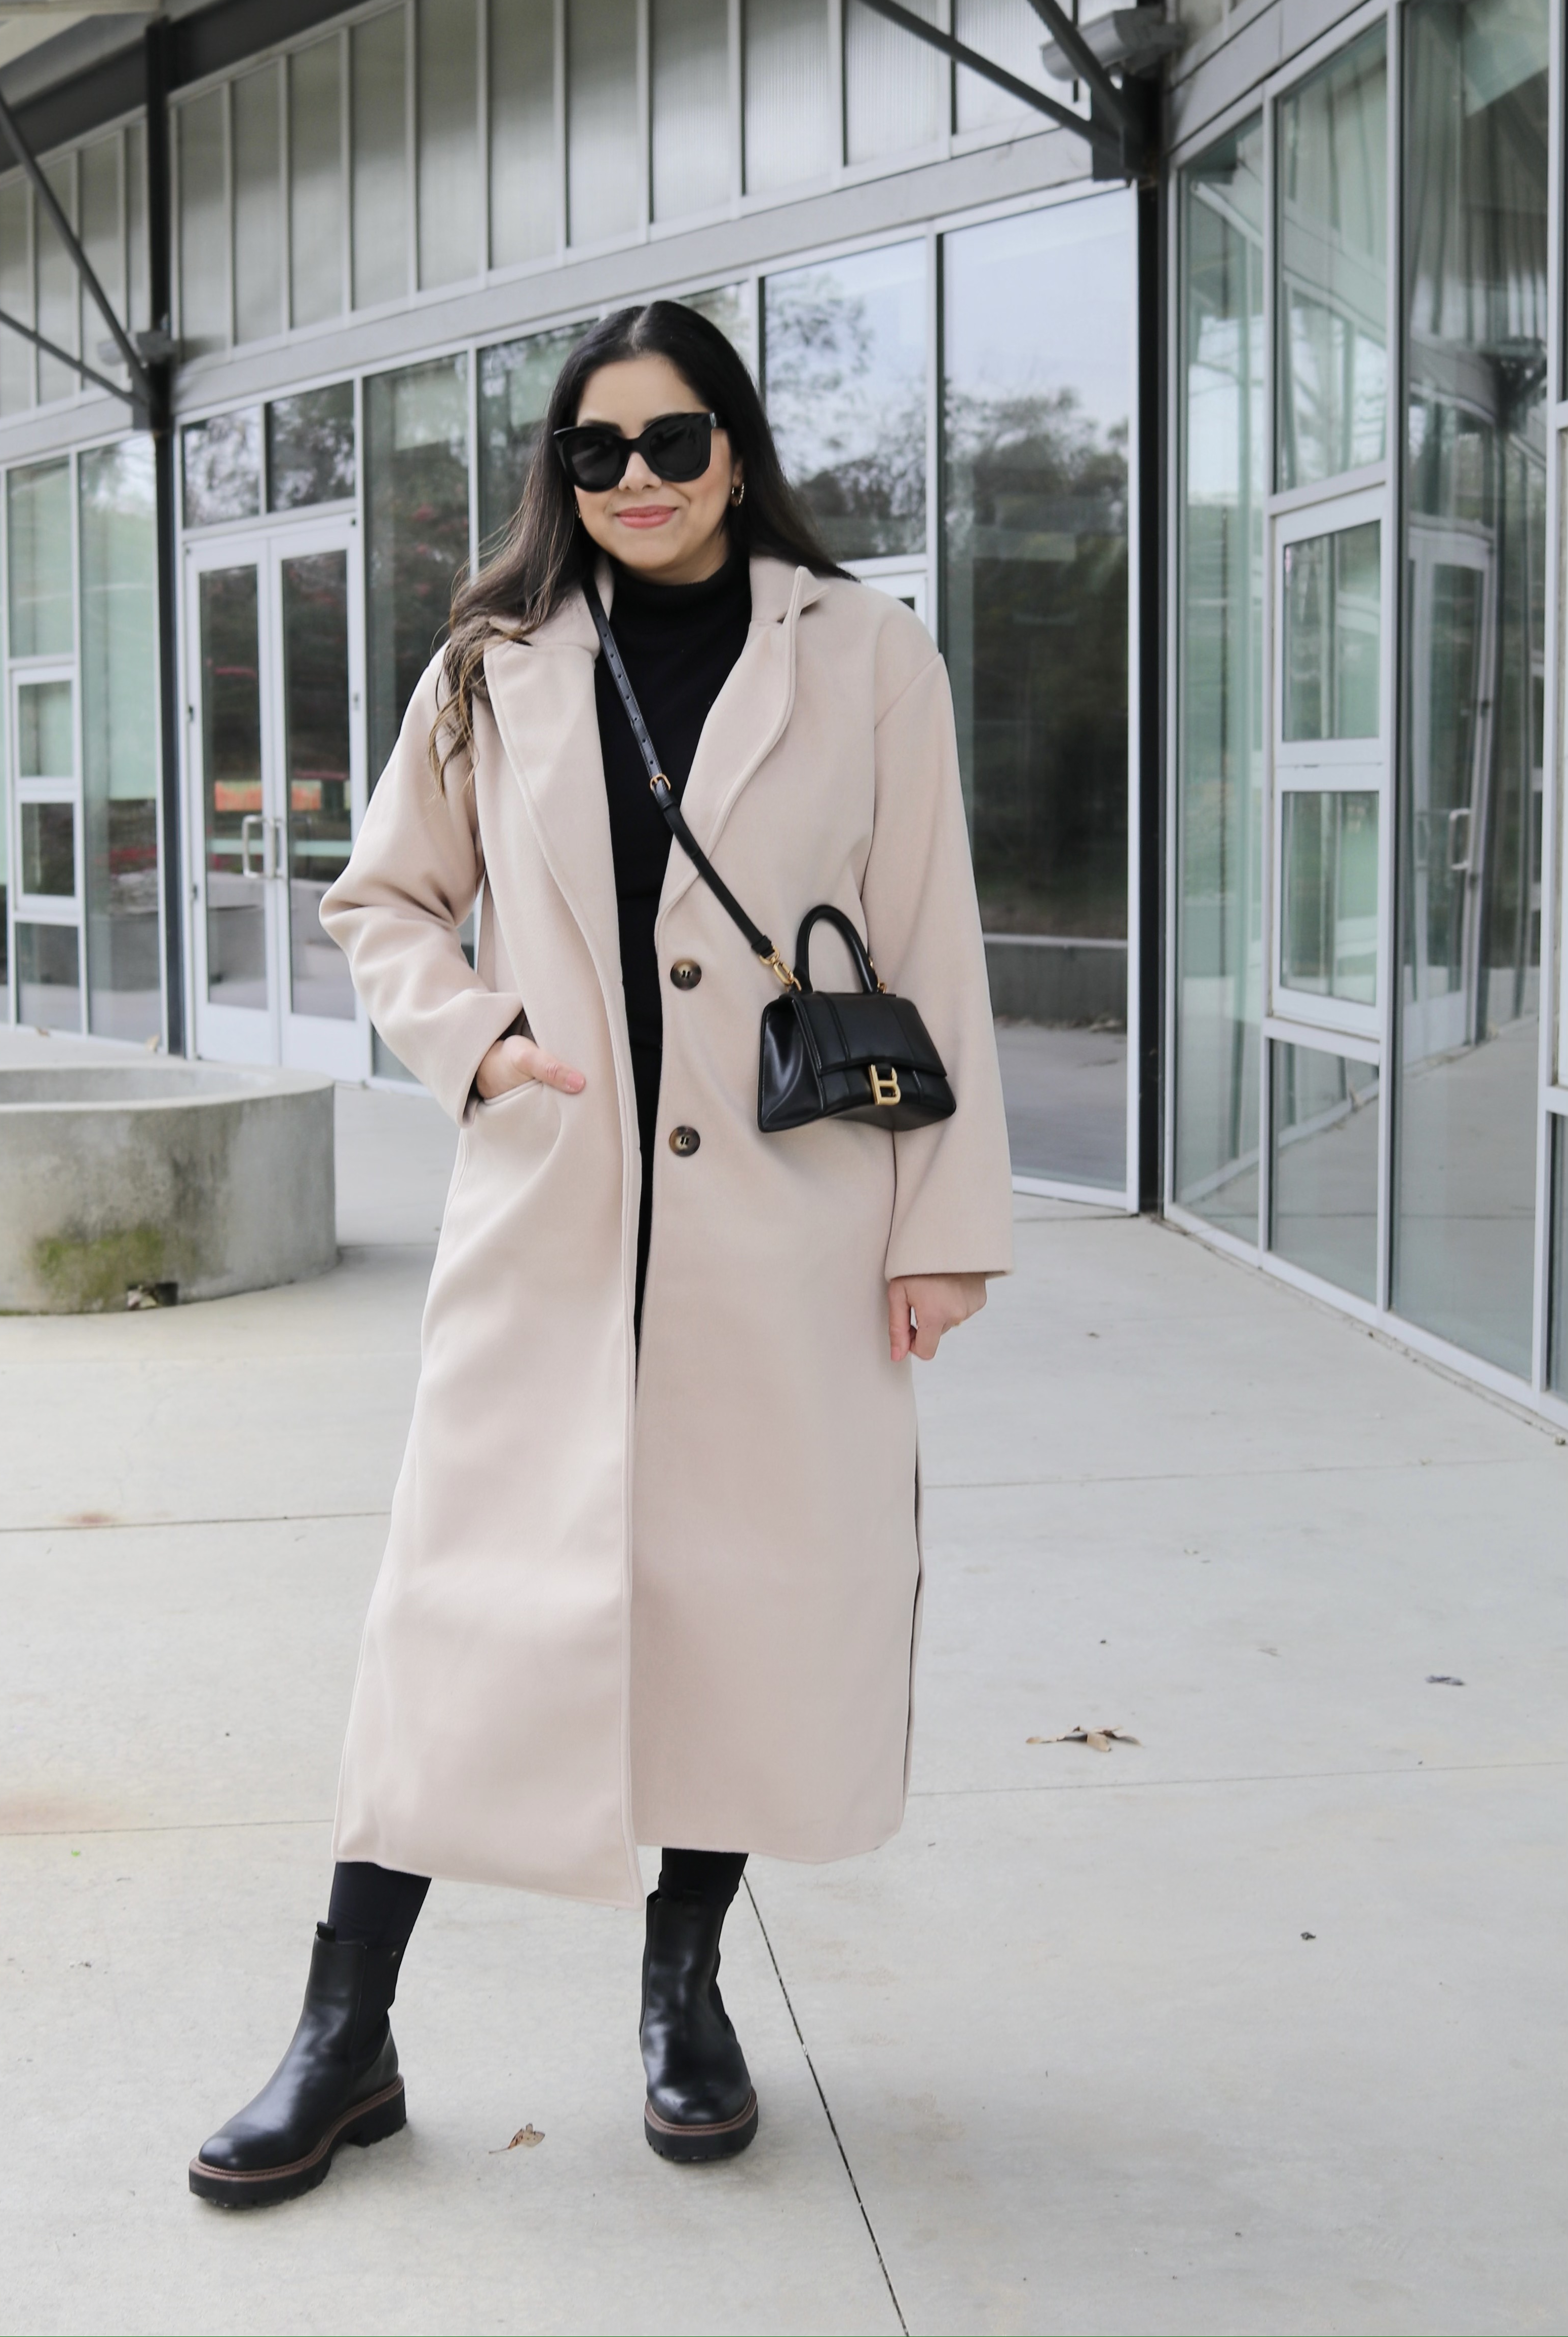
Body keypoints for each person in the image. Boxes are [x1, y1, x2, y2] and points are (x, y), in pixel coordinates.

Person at [190, 300, 1013, 2209]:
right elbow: (383, 895)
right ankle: (345, 2026)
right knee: (448, 1624)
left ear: (734, 445)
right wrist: (476, 1038)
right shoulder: (492, 666)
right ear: (560, 474)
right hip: (556, 1215)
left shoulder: (869, 654)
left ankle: (682, 1985)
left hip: (786, 1226)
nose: (633, 481)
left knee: (734, 1613)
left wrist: (942, 1232)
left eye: (669, 441)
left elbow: (932, 936)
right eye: (594, 452)